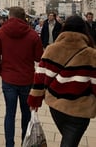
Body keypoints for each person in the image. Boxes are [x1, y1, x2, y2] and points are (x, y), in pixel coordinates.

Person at [28, 15, 96, 147]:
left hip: (56, 106)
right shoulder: (91, 54)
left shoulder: (51, 49)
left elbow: (40, 77)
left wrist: (34, 101)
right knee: (70, 141)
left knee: (68, 139)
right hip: (80, 109)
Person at [0, 6, 43, 147]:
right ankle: (24, 143)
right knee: (26, 114)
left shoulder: (1, 32)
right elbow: (39, 57)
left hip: (8, 79)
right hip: (27, 79)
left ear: (10, 17)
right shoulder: (32, 34)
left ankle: (9, 144)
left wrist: (2, 72)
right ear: (24, 17)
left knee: (10, 113)